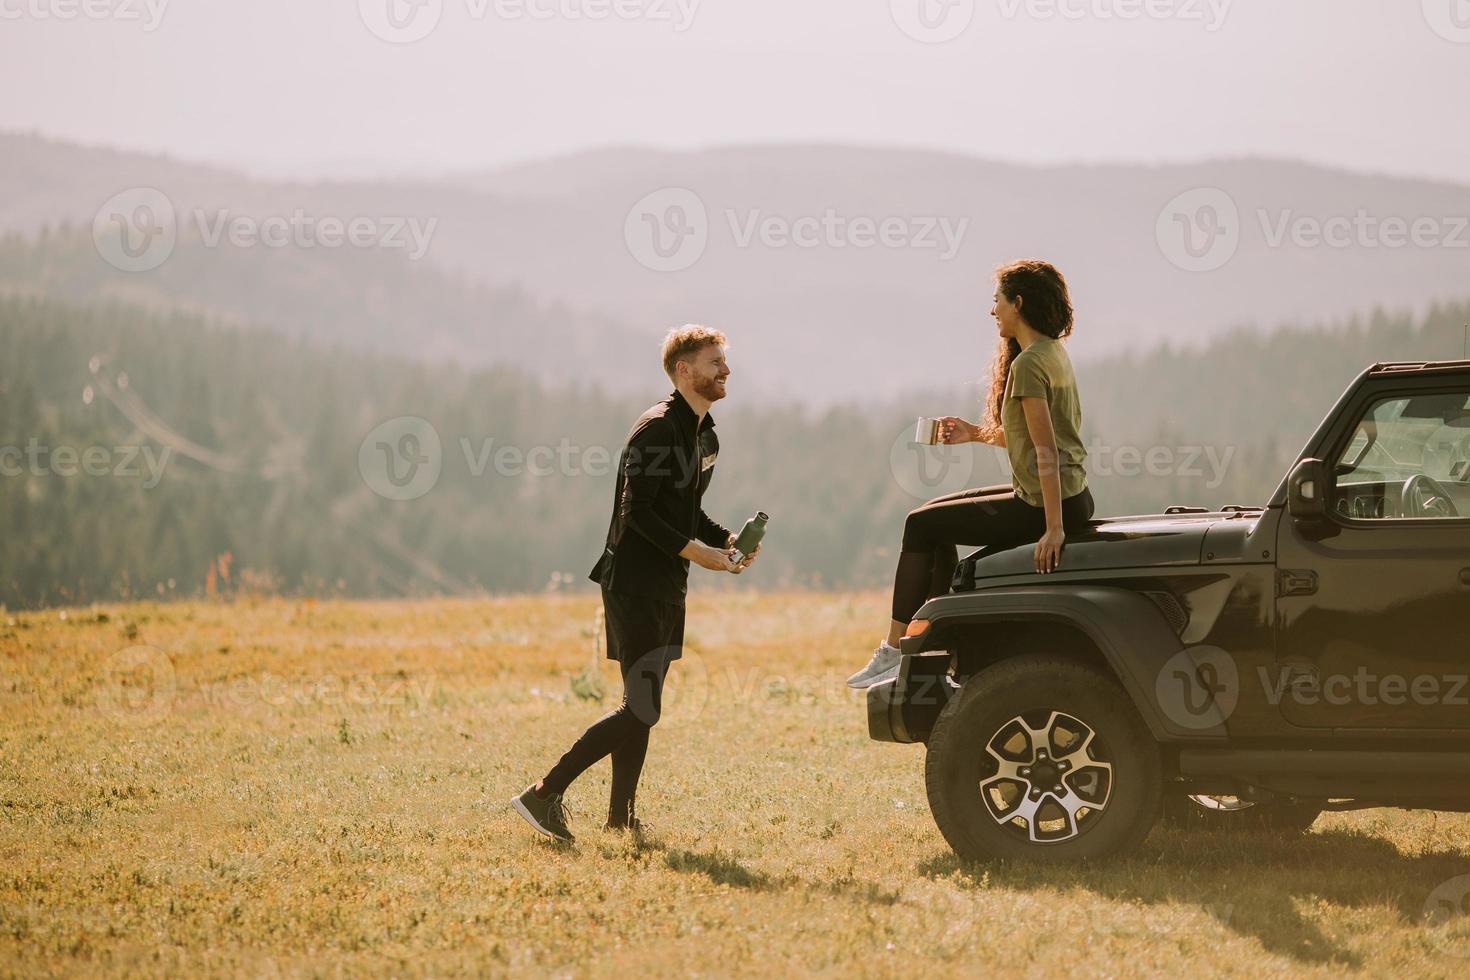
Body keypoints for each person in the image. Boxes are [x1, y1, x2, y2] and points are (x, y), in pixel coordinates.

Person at [511, 325, 759, 843]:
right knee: (642, 706)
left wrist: (727, 539)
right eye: (715, 362)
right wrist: (699, 553)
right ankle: (542, 794)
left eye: (725, 361)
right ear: (683, 370)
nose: (726, 370)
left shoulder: (703, 432)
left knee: (640, 706)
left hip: (669, 582)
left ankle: (619, 819)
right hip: (634, 583)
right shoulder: (655, 430)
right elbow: (637, 513)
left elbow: (686, 510)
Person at [847, 259, 1095, 689]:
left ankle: (896, 649)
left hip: (1045, 506)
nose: (992, 310)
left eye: (997, 300)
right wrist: (974, 434)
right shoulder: (1050, 353)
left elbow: (1045, 451)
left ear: (1018, 303)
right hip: (1068, 496)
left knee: (920, 525)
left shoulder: (1029, 365)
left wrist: (1053, 529)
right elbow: (1028, 436)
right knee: (934, 516)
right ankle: (924, 642)